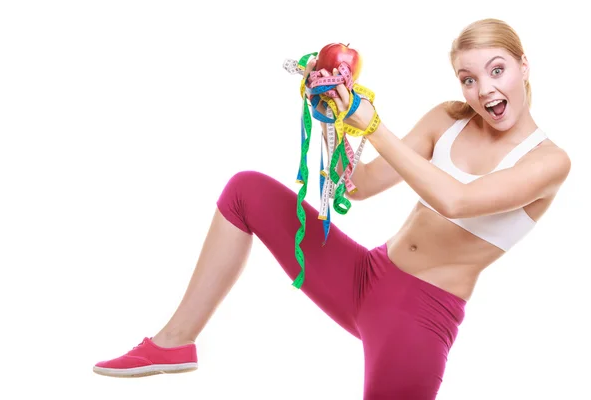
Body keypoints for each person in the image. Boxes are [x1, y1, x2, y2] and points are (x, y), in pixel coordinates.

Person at [92, 18, 571, 400]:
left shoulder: (548, 162)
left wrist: (375, 126)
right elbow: (358, 186)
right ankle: (175, 341)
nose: (484, 89)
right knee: (246, 192)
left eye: (497, 69)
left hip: (419, 318)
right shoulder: (447, 120)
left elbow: (456, 200)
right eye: (469, 78)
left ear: (524, 65)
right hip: (366, 275)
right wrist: (333, 116)